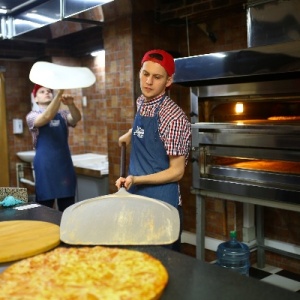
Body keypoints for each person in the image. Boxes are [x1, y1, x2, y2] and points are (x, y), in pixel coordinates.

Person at [115, 49, 191, 251]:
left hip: (161, 207)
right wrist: (130, 134)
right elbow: (149, 130)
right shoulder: (142, 102)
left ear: (168, 81)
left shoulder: (173, 117)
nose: (148, 82)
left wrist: (136, 179)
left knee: (165, 270)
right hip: (136, 199)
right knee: (138, 265)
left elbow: (177, 171)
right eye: (145, 74)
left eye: (157, 77)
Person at [26, 84, 81, 212]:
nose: (47, 93)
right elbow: (45, 117)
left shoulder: (62, 114)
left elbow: (76, 118)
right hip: (45, 167)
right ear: (36, 99)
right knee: (45, 208)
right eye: (42, 91)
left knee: (68, 208)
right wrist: (59, 94)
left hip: (64, 167)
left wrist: (71, 105)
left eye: (49, 91)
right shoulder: (32, 116)